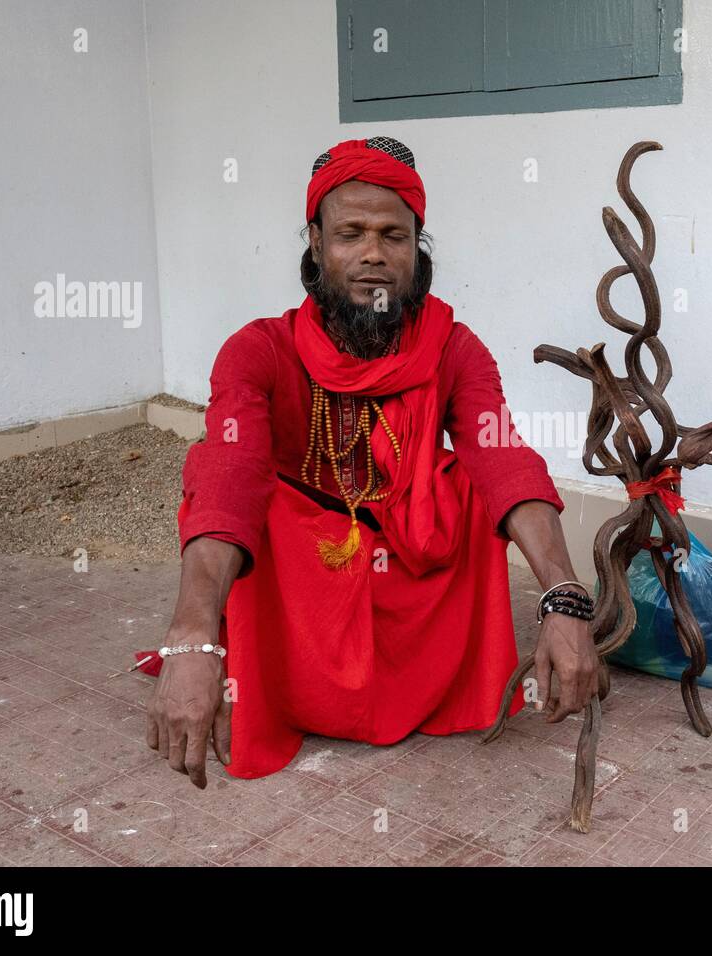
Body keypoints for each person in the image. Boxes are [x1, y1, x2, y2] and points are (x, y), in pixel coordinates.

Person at [144, 136, 599, 789]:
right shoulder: (256, 350)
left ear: (419, 246)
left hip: (413, 565)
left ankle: (422, 688)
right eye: (349, 233)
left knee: (471, 484)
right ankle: (281, 682)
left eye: (394, 235)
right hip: (302, 581)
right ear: (314, 241)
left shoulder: (455, 349)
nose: (373, 256)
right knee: (234, 490)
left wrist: (565, 597)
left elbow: (503, 457)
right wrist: (192, 637)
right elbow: (226, 474)